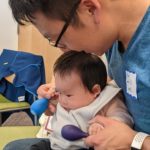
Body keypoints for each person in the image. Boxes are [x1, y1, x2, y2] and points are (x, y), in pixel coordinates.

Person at [8, 0, 150, 149]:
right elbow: (127, 86)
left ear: (90, 9)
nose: (63, 50)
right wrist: (66, 89)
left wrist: (135, 140)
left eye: (59, 40)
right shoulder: (112, 39)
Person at [4, 51, 133, 150]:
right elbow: (50, 112)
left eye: (68, 95)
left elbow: (122, 118)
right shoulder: (64, 95)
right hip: (56, 143)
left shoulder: (106, 101)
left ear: (95, 91)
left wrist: (102, 128)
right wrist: (46, 102)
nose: (62, 100)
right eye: (59, 92)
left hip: (83, 147)